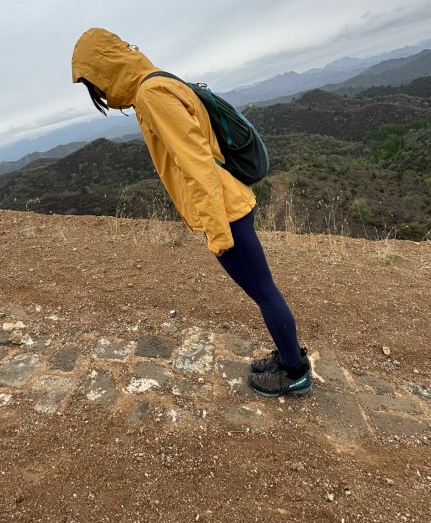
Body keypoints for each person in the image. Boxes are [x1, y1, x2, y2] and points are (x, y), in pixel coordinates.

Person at [71, 28, 311, 397]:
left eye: (94, 84)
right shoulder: (156, 83)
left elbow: (196, 163)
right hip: (228, 203)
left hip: (225, 211)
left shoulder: (151, 95)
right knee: (262, 290)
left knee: (264, 293)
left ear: (105, 71)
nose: (99, 94)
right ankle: (287, 354)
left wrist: (217, 231)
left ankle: (294, 370)